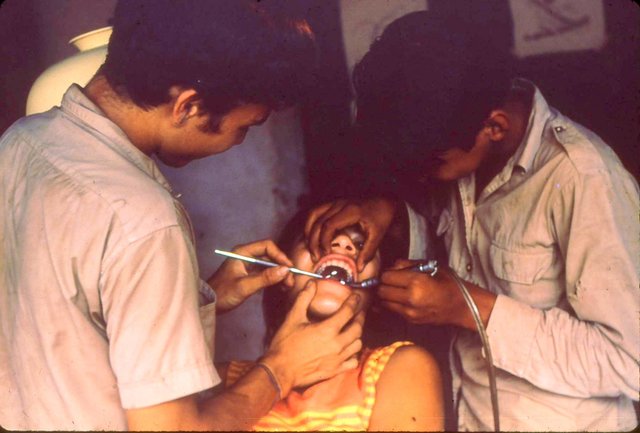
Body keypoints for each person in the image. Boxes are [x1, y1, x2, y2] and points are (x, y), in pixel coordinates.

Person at [0, 1, 365, 430]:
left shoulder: (21, 142)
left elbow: (65, 321)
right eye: (244, 126)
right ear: (187, 106)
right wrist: (281, 369)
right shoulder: (145, 221)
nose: (237, 142)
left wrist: (196, 299)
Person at [304, 12, 640, 431]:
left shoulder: (582, 179)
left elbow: (629, 361)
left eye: (432, 164)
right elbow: (455, 251)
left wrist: (470, 308)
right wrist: (387, 211)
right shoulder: (464, 150)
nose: (422, 176)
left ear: (494, 127)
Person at [218, 210, 444, 431]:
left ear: (377, 291)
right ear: (281, 272)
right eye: (317, 239)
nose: (343, 244)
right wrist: (206, 301)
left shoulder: (403, 369)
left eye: (362, 245)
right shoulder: (223, 380)